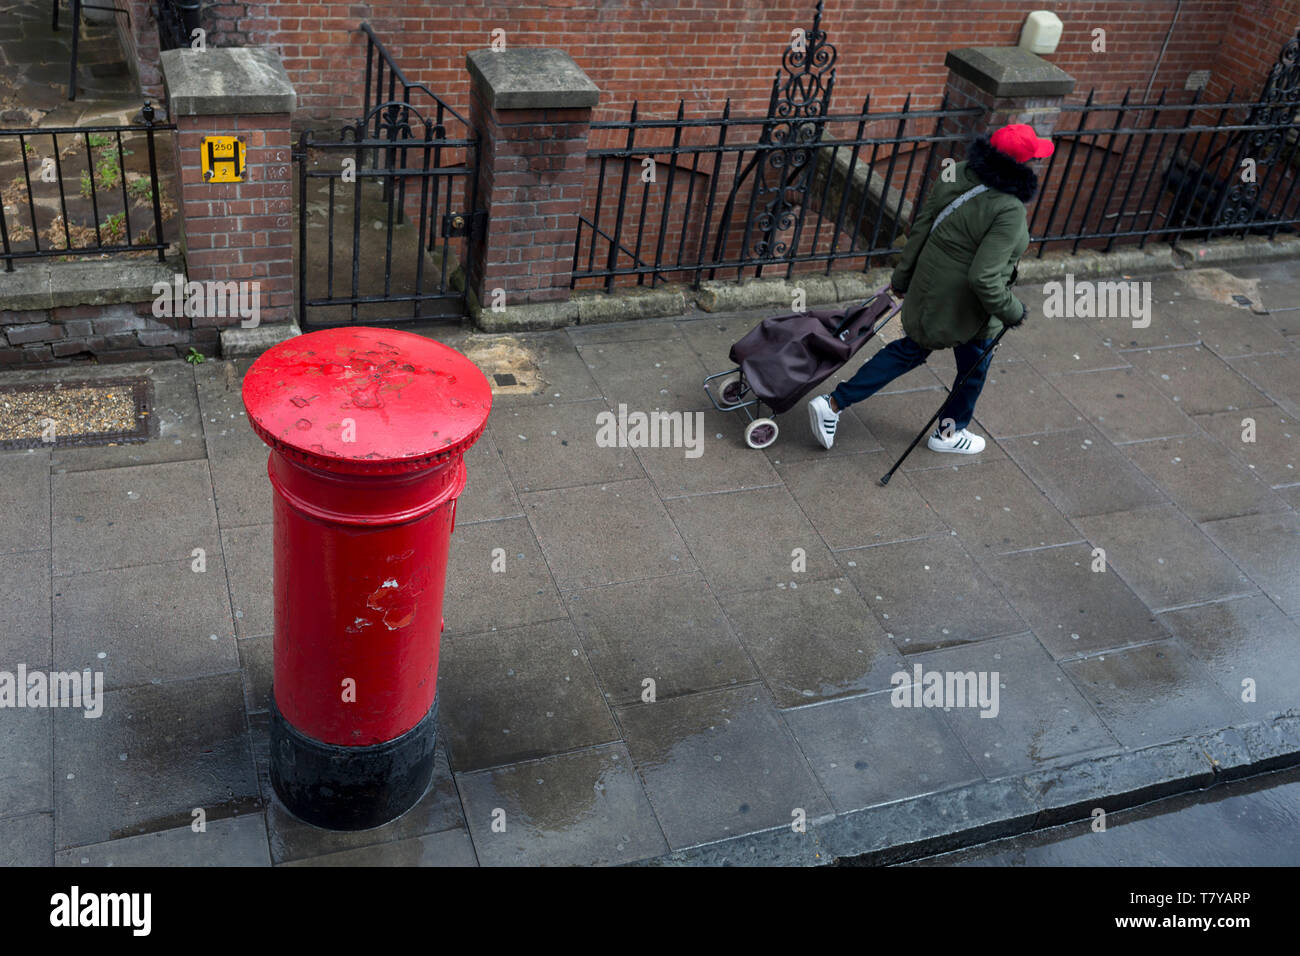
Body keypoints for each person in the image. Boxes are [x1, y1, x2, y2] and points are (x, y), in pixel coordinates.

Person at [808, 123, 1053, 453]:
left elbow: (922, 226)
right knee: (972, 368)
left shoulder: (958, 173)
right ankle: (946, 434)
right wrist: (1013, 311)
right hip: (966, 307)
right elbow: (984, 277)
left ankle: (836, 404)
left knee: (912, 350)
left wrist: (903, 278)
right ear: (1021, 163)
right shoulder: (1009, 209)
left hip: (928, 284)